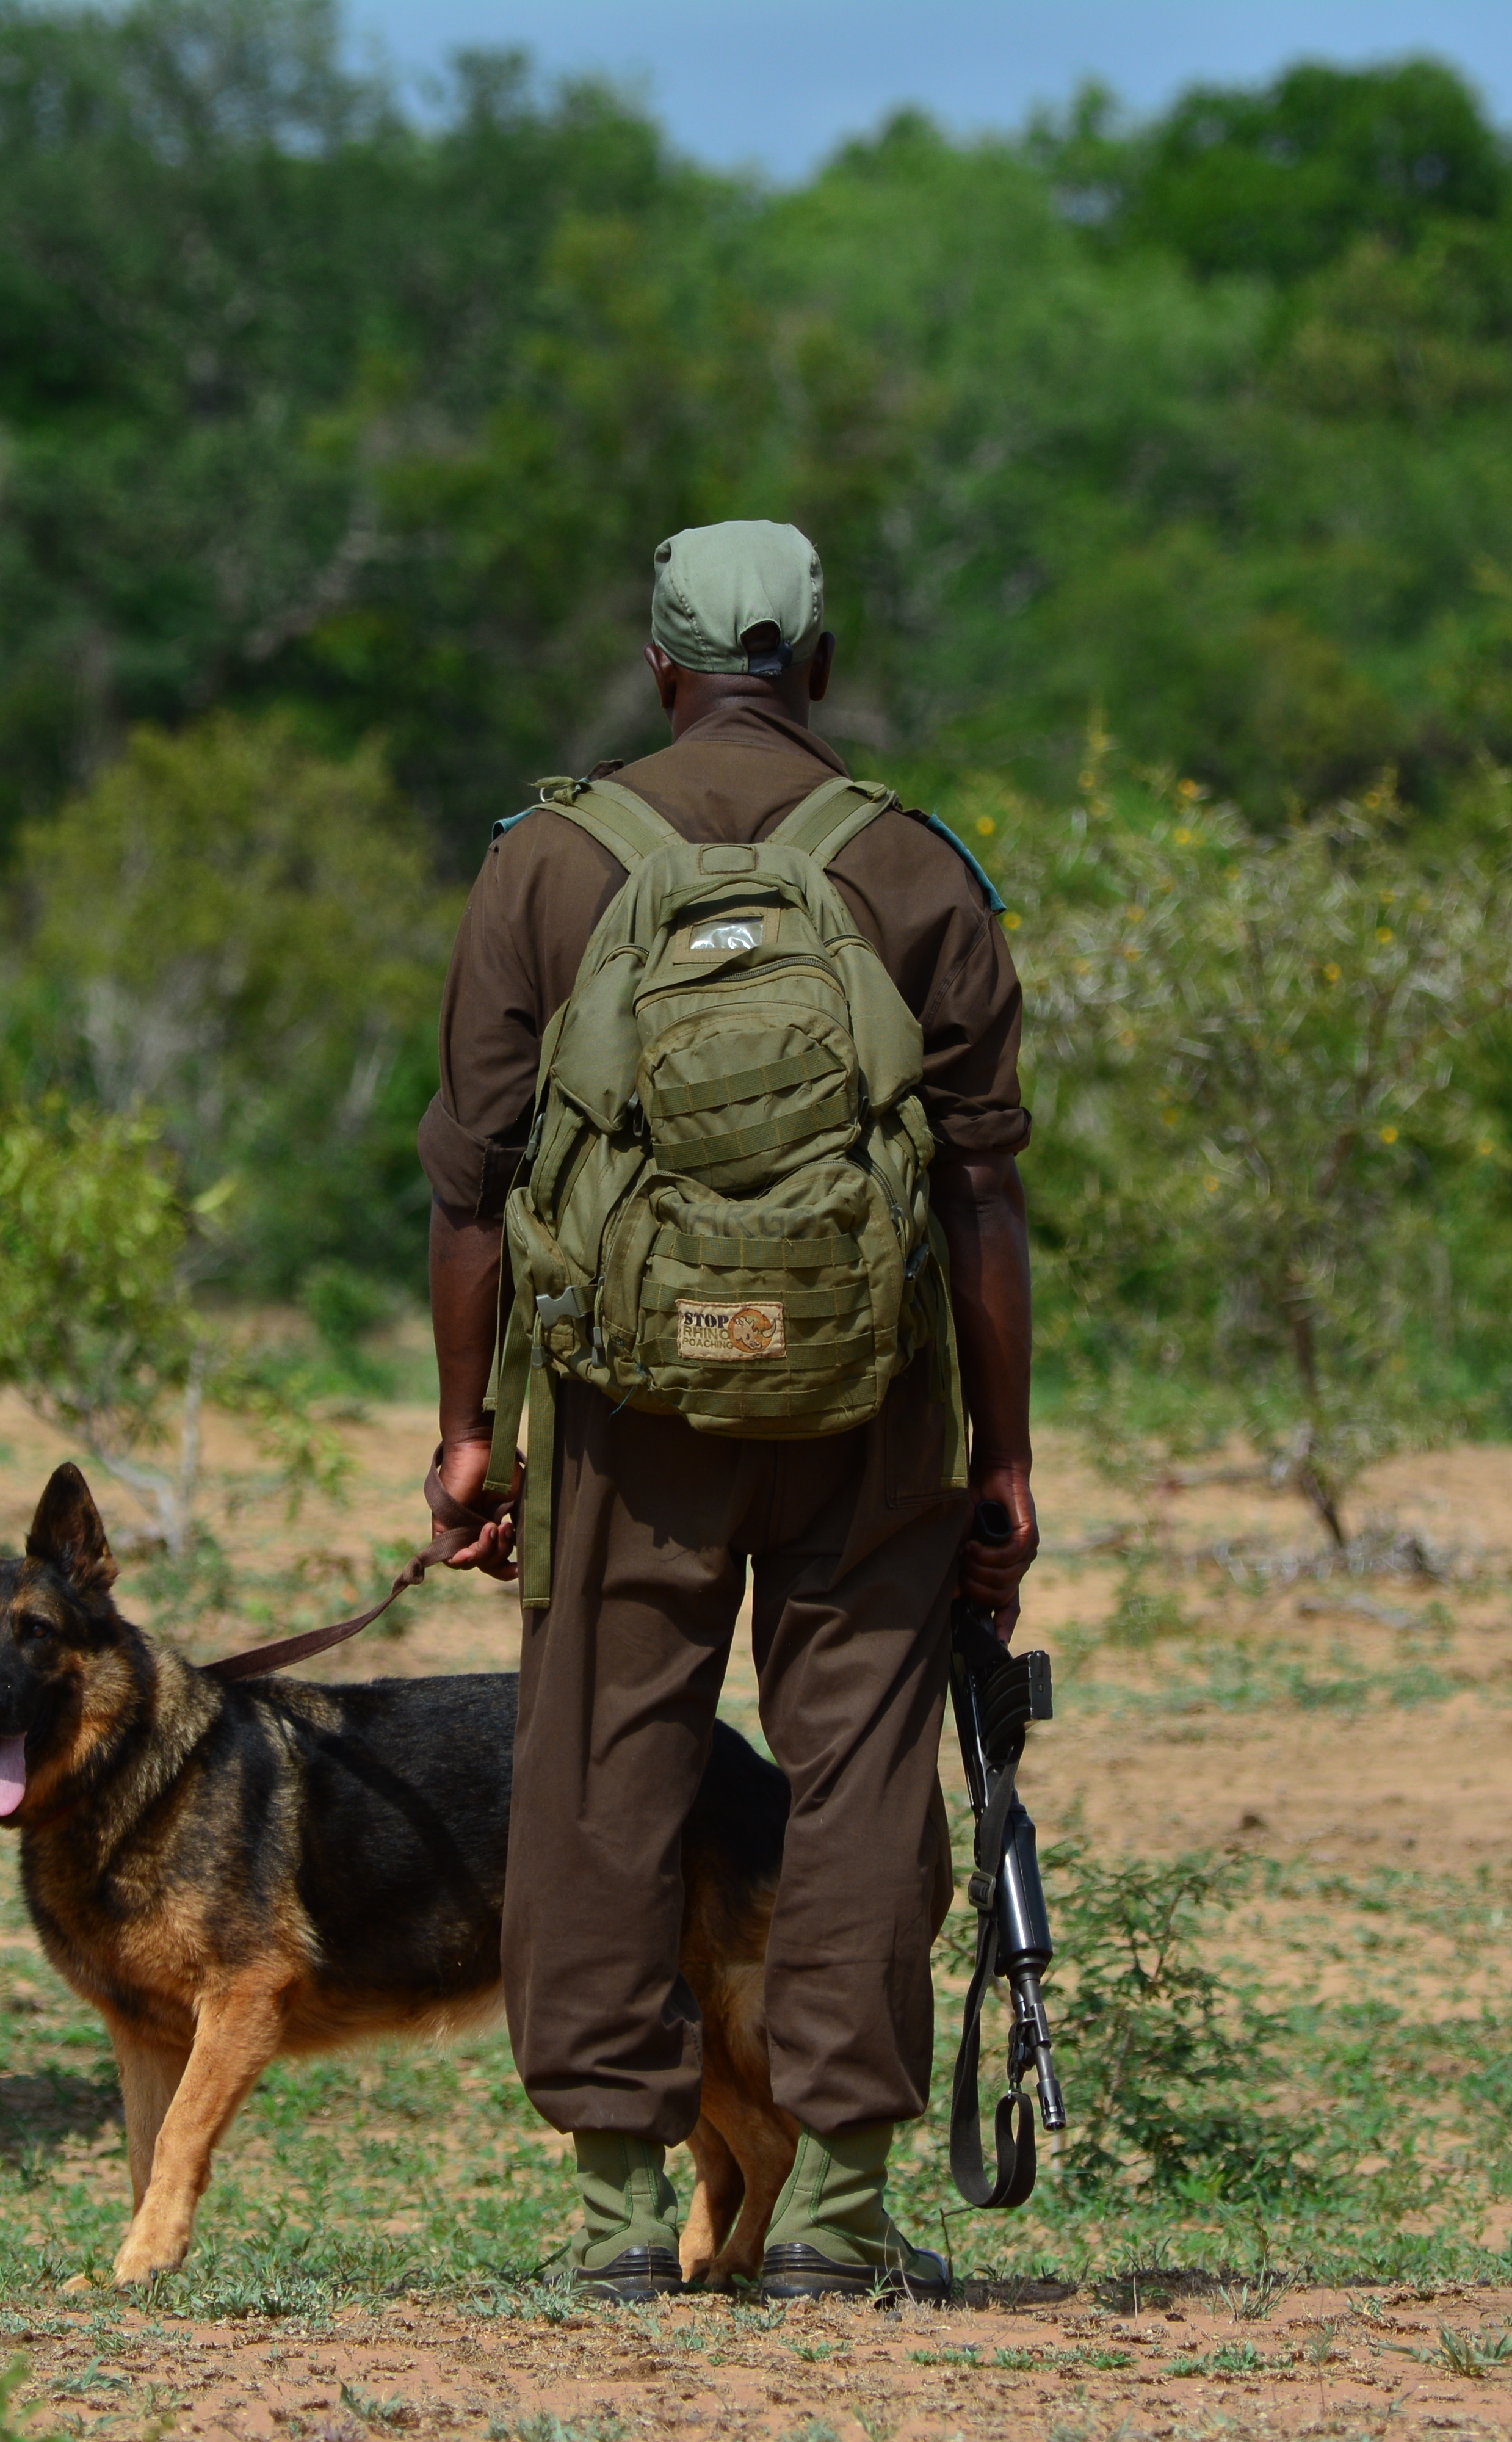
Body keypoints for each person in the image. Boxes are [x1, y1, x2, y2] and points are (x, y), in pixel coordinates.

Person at [418, 520, 1040, 2302]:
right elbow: (986, 1199)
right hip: (875, 1420)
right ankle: (838, 2221)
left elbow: (470, 1186)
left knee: (604, 1775)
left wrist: (474, 1433)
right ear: (820, 666)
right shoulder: (916, 870)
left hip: (630, 1413)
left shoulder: (547, 862)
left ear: (664, 668)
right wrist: (1000, 1459)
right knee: (858, 1788)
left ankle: (624, 2223)